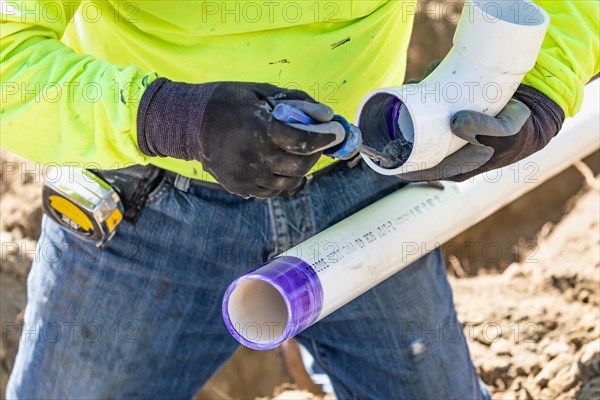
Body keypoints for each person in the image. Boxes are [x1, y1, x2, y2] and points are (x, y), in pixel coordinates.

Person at [1, 0, 598, 398]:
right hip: (147, 204)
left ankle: (306, 336)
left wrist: (542, 80)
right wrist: (175, 117)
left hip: (362, 192)